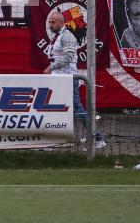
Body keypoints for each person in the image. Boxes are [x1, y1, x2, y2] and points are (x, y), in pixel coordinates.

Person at [43, 10, 106, 149]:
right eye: (49, 22)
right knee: (54, 109)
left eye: (53, 22)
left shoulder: (67, 36)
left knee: (78, 110)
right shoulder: (58, 37)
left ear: (61, 22)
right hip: (59, 80)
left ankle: (97, 139)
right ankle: (55, 140)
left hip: (67, 80)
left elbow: (68, 57)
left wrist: (50, 68)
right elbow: (59, 57)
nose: (50, 25)